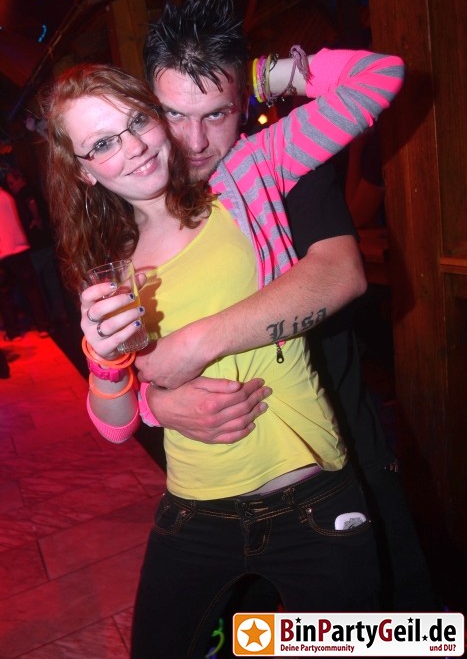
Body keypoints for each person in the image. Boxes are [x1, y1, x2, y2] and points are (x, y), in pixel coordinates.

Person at [41, 36, 403, 656]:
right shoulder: (110, 268)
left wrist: (251, 76)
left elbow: (379, 77)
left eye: (137, 122)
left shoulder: (245, 177)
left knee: (363, 646)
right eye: (101, 144)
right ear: (83, 170)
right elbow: (116, 425)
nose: (132, 148)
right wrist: (105, 363)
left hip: (310, 500)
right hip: (194, 511)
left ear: (158, 116)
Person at [141, 0, 437, 612]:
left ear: (242, 104)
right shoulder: (138, 194)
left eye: (217, 113)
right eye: (174, 113)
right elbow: (125, 352)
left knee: (377, 632)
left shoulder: (273, 161)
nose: (194, 140)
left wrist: (256, 75)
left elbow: (340, 274)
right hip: (223, 470)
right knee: (249, 636)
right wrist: (156, 402)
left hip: (332, 440)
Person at [5, 168, 69, 327]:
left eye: (12, 183)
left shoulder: (23, 194)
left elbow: (32, 204)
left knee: (39, 286)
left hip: (35, 247)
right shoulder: (33, 190)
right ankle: (61, 315)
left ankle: (50, 319)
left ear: (20, 179)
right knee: (51, 282)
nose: (11, 187)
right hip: (45, 244)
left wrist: (36, 218)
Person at [0, 185, 51, 341]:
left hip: (2, 251)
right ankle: (44, 326)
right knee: (31, 290)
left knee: (4, 294)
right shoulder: (7, 195)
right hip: (19, 246)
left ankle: (13, 332)